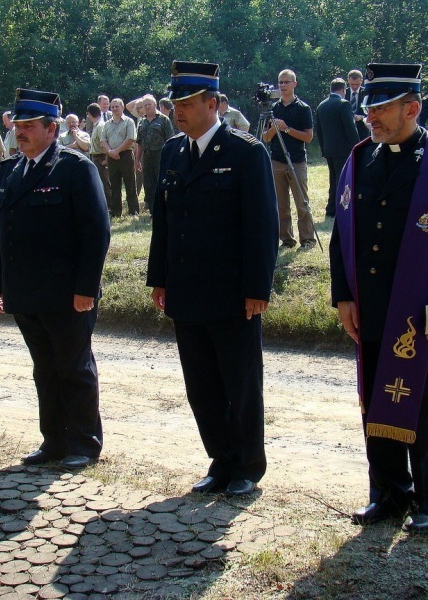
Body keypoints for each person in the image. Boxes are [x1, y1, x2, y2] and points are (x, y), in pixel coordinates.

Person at [329, 63, 428, 534]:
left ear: (411, 108)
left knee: (423, 404)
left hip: (418, 307)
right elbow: (342, 233)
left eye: (380, 108)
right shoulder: (359, 157)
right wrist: (344, 295)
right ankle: (388, 493)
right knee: (374, 401)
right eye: (368, 107)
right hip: (369, 302)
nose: (370, 116)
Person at [147, 61, 278, 496]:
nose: (177, 111)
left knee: (239, 384)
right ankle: (220, 461)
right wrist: (159, 278)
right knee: (201, 386)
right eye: (174, 103)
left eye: (186, 103)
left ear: (214, 103)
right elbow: (162, 223)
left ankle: (246, 467)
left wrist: (258, 288)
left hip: (232, 293)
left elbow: (262, 227)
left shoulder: (245, 152)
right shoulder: (171, 151)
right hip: (186, 289)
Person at [0, 88, 110, 471]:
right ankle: (53, 441)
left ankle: (84, 444)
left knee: (74, 367)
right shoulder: (9, 171)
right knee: (44, 368)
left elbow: (96, 232)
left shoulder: (74, 168)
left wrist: (86, 289)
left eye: (28, 126)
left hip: (67, 294)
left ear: (51, 129)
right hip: (25, 292)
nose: (19, 133)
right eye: (17, 126)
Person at [262, 69, 315, 249]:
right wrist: (274, 128)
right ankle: (286, 239)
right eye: (280, 82)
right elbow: (266, 138)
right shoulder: (273, 109)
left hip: (297, 161)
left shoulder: (303, 108)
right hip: (277, 161)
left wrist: (286, 129)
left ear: (294, 84)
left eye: (286, 82)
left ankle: (307, 239)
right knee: (281, 204)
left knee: (302, 203)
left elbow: (308, 137)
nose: (283, 85)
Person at [315, 77, 359, 217]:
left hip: (329, 149)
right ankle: (341, 207)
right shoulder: (343, 104)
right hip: (343, 149)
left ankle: (331, 208)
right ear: (343, 89)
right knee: (343, 180)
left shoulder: (321, 105)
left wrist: (323, 148)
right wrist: (357, 146)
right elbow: (350, 128)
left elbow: (319, 130)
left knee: (333, 180)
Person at [101, 98, 139, 217]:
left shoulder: (129, 122)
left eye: (117, 106)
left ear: (122, 107)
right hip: (112, 157)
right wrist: (111, 152)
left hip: (126, 155)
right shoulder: (107, 124)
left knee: (130, 184)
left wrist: (117, 151)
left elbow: (131, 138)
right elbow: (103, 140)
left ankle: (133, 211)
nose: (115, 109)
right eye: (112, 107)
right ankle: (116, 212)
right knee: (114, 185)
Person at [136, 94, 174, 213]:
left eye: (149, 104)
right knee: (148, 183)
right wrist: (137, 160)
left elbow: (170, 140)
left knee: (160, 182)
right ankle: (153, 210)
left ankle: (163, 208)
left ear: (155, 104)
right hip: (146, 157)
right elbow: (140, 143)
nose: (147, 107)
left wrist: (169, 158)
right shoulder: (142, 122)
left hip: (160, 155)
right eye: (145, 105)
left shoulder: (163, 119)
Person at [86, 104, 111, 203]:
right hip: (97, 158)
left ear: (89, 114)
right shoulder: (96, 125)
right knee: (100, 183)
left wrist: (106, 159)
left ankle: (109, 206)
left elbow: (106, 143)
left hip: (101, 158)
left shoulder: (100, 126)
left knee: (105, 184)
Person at [345, 69, 369, 140]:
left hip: (363, 132)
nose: (355, 87)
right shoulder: (344, 93)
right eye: (352, 84)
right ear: (348, 80)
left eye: (357, 84)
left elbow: (372, 112)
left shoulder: (367, 93)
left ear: (361, 81)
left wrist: (361, 117)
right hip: (346, 133)